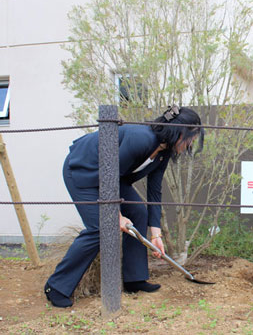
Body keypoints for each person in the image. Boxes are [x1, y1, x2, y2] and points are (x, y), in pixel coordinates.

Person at [44, 106, 204, 307]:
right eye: (191, 137)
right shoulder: (142, 139)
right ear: (178, 131)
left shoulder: (163, 152)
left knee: (138, 211)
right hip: (84, 171)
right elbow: (108, 174)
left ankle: (134, 279)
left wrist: (156, 235)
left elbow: (154, 192)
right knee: (100, 228)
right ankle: (56, 286)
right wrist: (117, 215)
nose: (191, 143)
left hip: (111, 179)